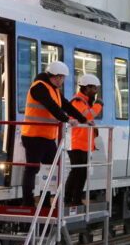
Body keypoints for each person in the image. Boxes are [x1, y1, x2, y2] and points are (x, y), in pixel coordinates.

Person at [21, 61, 90, 207]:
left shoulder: (54, 89)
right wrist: (66, 119)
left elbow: (65, 105)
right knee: (32, 168)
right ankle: (27, 202)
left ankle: (45, 200)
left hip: (47, 137)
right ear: (56, 77)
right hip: (33, 136)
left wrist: (83, 119)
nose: (62, 81)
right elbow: (50, 105)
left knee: (50, 170)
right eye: (61, 78)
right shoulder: (39, 87)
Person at [66, 74, 103, 207]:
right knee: (78, 172)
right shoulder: (78, 101)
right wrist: (98, 105)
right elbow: (86, 116)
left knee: (80, 172)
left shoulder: (84, 102)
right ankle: (70, 199)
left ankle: (73, 198)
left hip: (82, 143)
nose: (96, 92)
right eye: (94, 89)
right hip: (76, 143)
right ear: (87, 88)